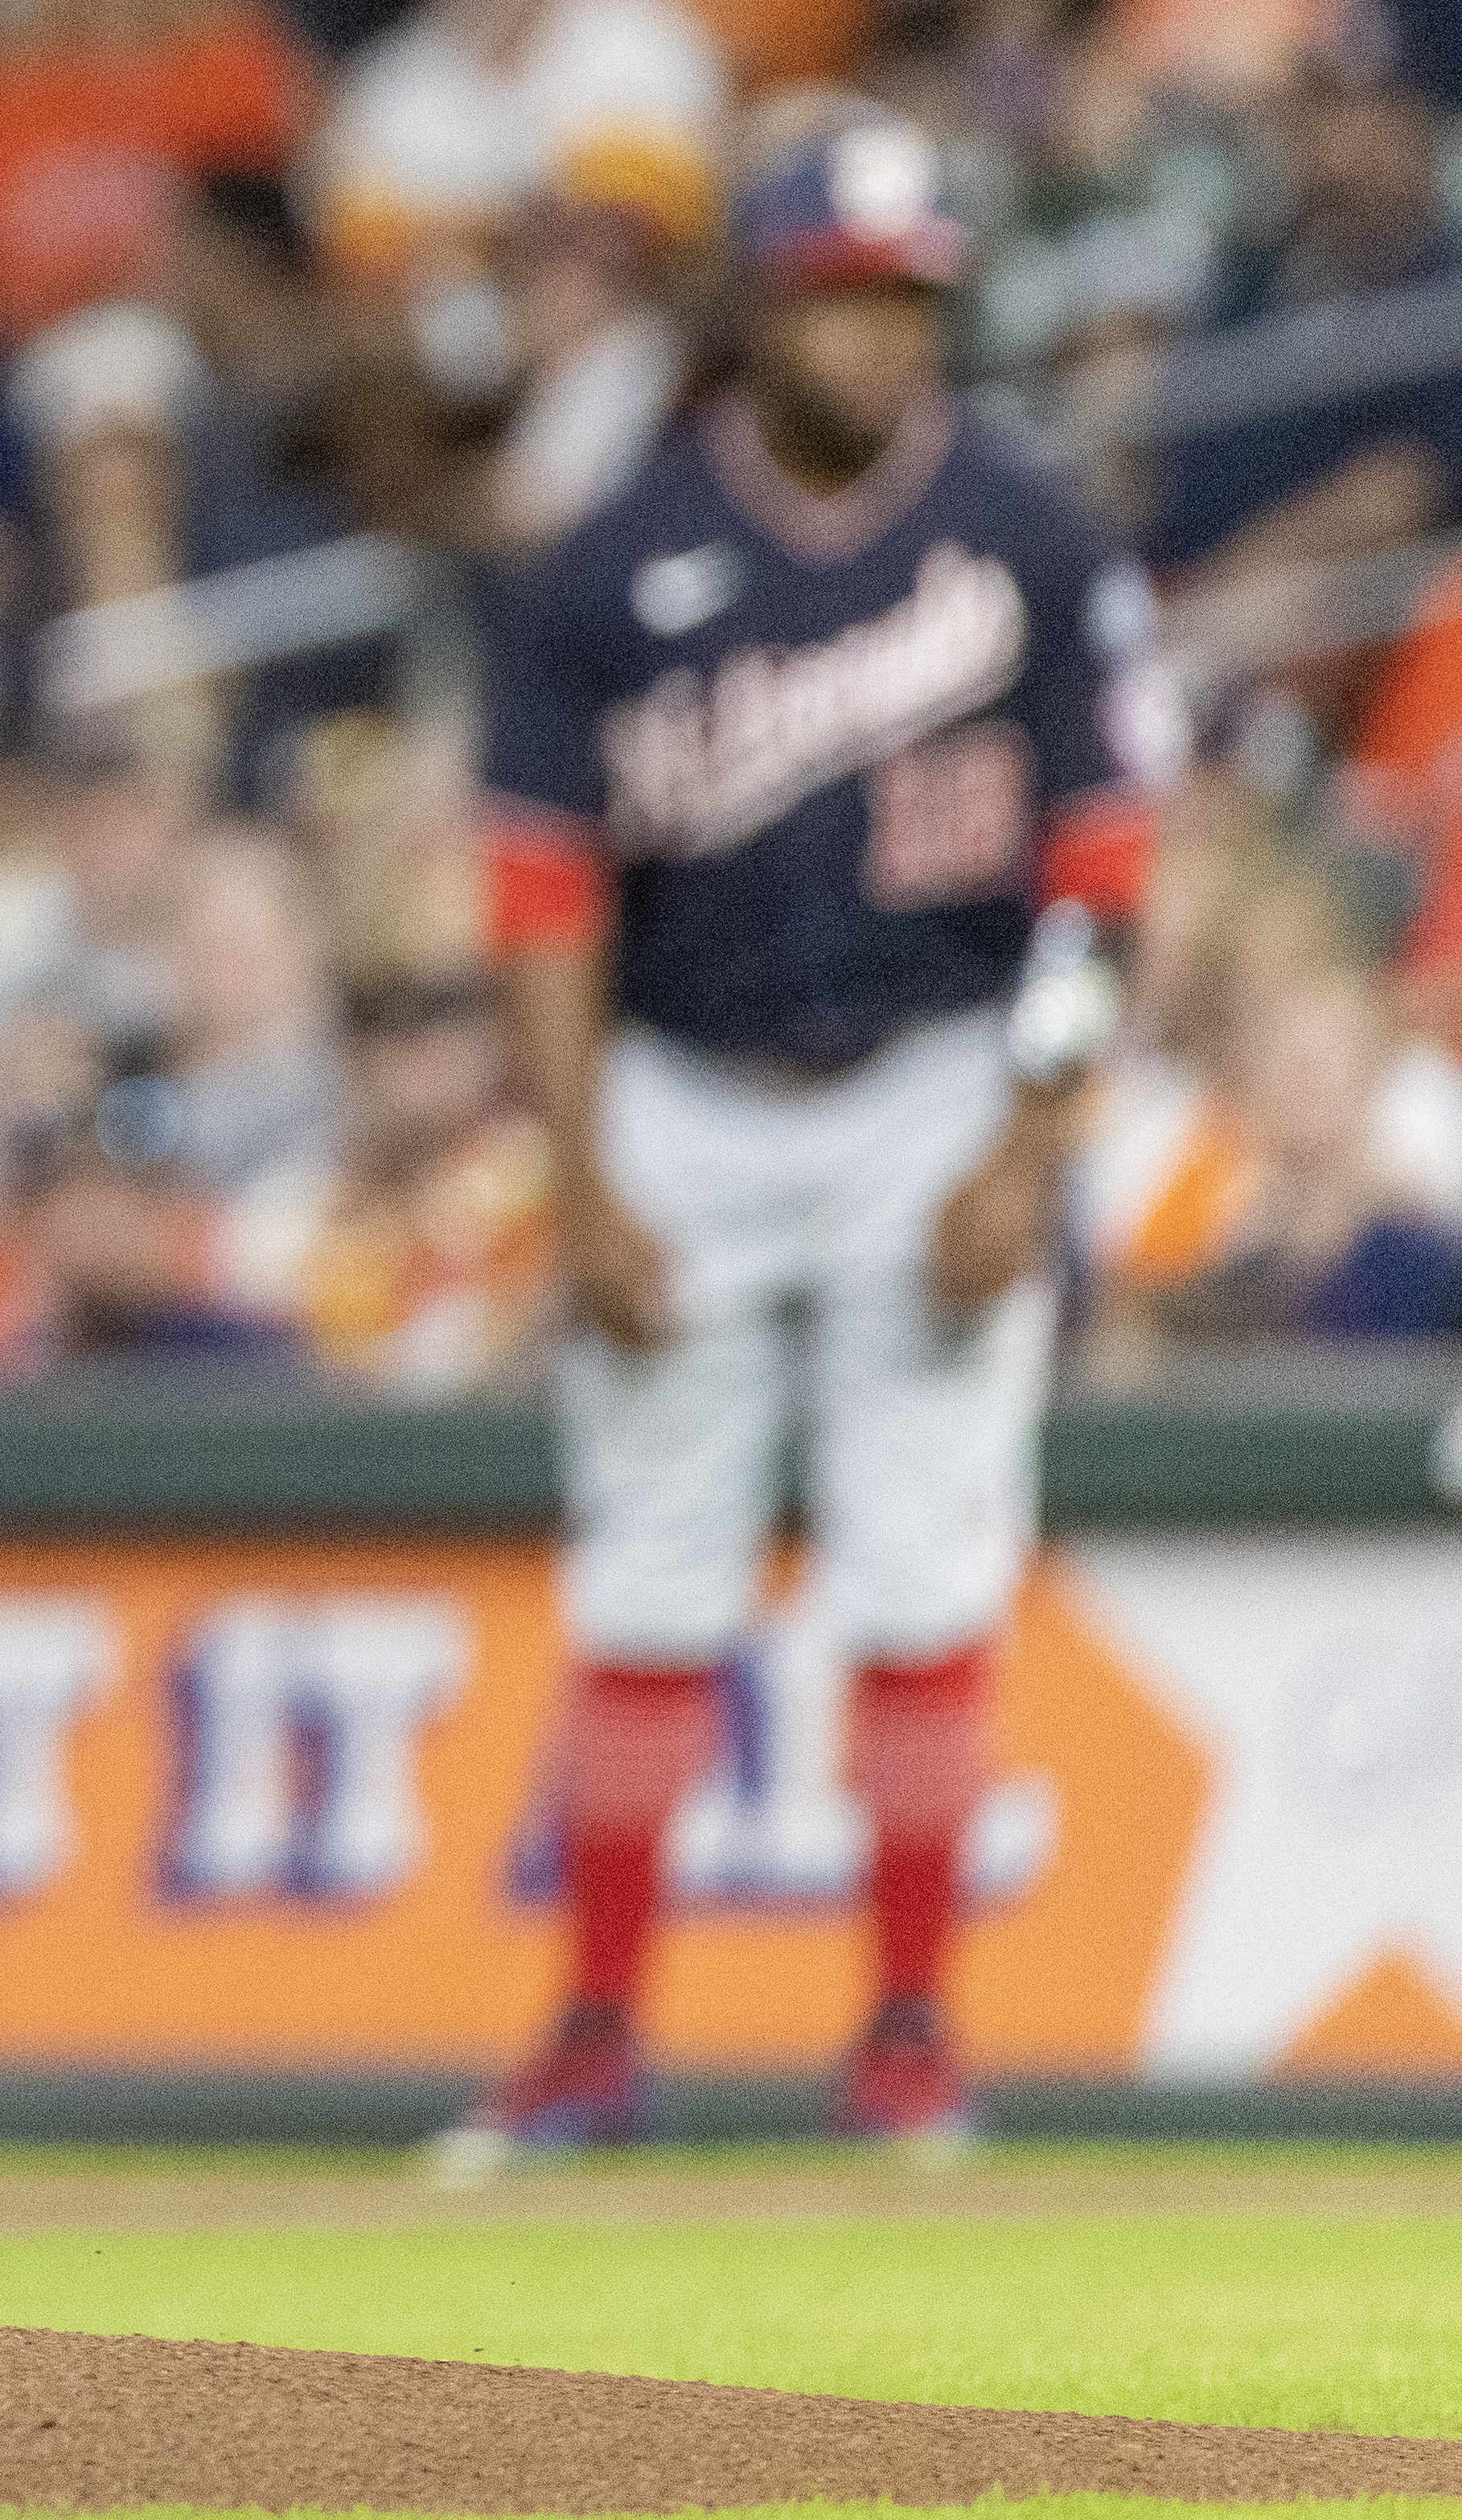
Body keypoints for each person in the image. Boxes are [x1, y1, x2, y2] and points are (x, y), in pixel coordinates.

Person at [441, 113, 1167, 2171]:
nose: (884, 338)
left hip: (943, 1076)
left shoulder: (1025, 532)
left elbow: (1106, 866)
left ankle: (913, 2038)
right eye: (848, 297)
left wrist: (1031, 1147)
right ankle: (591, 2035)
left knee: (925, 1565)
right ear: (761, 301)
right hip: (678, 1091)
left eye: (910, 298)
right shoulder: (611, 557)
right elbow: (540, 894)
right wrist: (576, 1179)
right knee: (650, 1579)